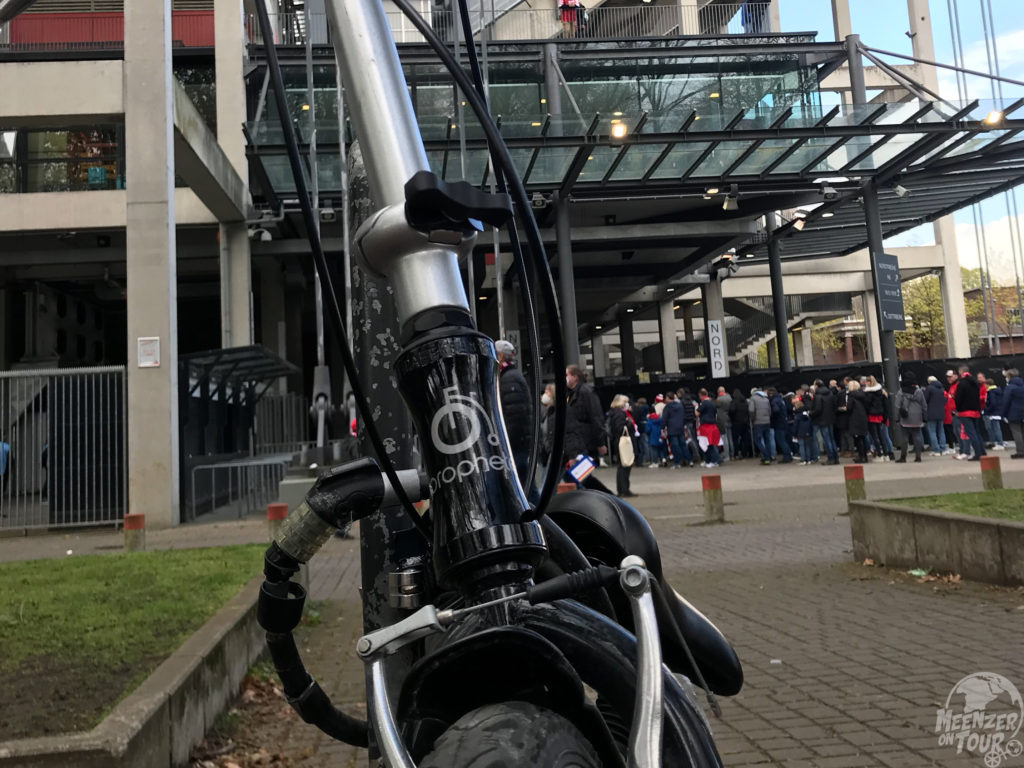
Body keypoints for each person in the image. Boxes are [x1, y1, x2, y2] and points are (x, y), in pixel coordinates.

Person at [495, 340, 537, 502]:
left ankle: (541, 518)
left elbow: (515, 416)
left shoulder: (509, 379)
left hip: (515, 445)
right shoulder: (511, 376)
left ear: (500, 356)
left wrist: (506, 443)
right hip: (519, 443)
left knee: (523, 487)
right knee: (526, 486)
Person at [564, 364, 607, 465]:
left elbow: (596, 416)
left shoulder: (585, 392)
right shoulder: (572, 393)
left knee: (582, 474)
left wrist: (600, 442)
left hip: (585, 441)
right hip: (577, 441)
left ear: (575, 377)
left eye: (567, 375)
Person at [954, 364, 987, 461]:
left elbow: (958, 398)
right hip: (975, 410)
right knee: (977, 432)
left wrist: (958, 410)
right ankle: (982, 451)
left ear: (961, 372)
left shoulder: (961, 383)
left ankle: (977, 454)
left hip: (965, 412)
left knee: (971, 433)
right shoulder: (975, 383)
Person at [608, 394, 637, 497]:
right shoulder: (620, 414)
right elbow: (620, 428)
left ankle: (622, 489)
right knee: (625, 466)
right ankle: (625, 489)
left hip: (618, 441)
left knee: (622, 466)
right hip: (622, 442)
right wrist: (628, 423)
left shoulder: (614, 413)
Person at [895, 371, 927, 463]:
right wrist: (924, 417)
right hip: (917, 417)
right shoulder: (919, 391)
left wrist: (897, 418)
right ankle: (918, 456)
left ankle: (903, 457)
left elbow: (897, 406)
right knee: (917, 436)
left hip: (905, 417)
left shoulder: (901, 391)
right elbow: (924, 406)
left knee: (904, 437)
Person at [863, 375, 894, 461]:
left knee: (874, 436)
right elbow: (885, 405)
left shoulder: (868, 394)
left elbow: (866, 405)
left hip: (871, 416)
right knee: (882, 436)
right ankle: (886, 454)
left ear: (869, 382)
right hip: (880, 416)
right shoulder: (882, 392)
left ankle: (879, 455)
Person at [661, 392, 692, 467]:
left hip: (671, 428)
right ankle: (689, 460)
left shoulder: (667, 407)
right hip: (680, 428)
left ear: (668, 398)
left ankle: (677, 462)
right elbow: (684, 417)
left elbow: (664, 418)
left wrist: (662, 428)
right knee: (683, 445)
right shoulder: (680, 406)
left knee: (675, 446)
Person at [811, 380, 839, 464]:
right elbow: (835, 406)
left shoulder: (818, 395)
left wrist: (811, 413)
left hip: (822, 419)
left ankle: (830, 458)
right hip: (830, 418)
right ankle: (835, 457)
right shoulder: (830, 393)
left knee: (826, 440)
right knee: (831, 439)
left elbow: (818, 409)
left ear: (816, 385)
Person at [1001, 368, 1024, 458]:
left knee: (1016, 432)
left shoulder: (1010, 387)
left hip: (1013, 413)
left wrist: (1003, 414)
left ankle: (1020, 451)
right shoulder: (1022, 386)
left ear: (1009, 376)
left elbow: (1006, 401)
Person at [846, 380, 870, 463]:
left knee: (858, 438)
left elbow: (849, 407)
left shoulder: (851, 396)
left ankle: (861, 456)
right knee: (863, 437)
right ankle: (865, 456)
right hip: (863, 417)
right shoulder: (863, 395)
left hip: (855, 418)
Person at [696, 389, 721, 467]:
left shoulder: (703, 403)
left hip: (706, 426)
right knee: (711, 444)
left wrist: (696, 407)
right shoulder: (713, 403)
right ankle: (708, 460)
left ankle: (715, 460)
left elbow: (696, 413)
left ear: (700, 395)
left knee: (708, 445)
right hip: (713, 425)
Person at [924, 375, 947, 456]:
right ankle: (943, 448)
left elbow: (925, 400)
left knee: (932, 431)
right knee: (941, 431)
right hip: (941, 412)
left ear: (929, 381)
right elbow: (945, 400)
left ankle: (936, 450)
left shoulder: (929, 388)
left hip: (931, 412)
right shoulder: (941, 388)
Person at [748, 387, 773, 465]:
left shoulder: (753, 399)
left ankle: (766, 457)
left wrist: (752, 420)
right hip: (767, 422)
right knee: (767, 440)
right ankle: (769, 456)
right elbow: (770, 411)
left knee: (757, 440)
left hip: (758, 422)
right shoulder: (766, 399)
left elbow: (751, 410)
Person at [768, 387, 792, 463]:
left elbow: (776, 410)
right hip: (784, 422)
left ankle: (787, 457)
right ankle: (788, 456)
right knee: (784, 440)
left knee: (781, 440)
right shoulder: (780, 399)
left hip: (778, 423)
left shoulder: (774, 401)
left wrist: (772, 416)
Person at [792, 393, 816, 465]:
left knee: (801, 446)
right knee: (808, 446)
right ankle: (808, 459)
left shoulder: (797, 416)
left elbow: (795, 426)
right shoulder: (808, 415)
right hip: (808, 432)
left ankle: (803, 459)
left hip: (800, 433)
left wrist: (794, 434)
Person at [982, 377, 1005, 450]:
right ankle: (999, 443)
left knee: (996, 428)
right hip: (997, 412)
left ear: (988, 384)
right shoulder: (997, 391)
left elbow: (993, 403)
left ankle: (1000, 443)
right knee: (996, 428)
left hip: (993, 413)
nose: (984, 386)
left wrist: (987, 409)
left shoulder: (991, 392)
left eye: (985, 384)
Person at [538, 383, 556, 468]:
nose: (544, 395)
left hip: (551, 452)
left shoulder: (553, 412)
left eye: (547, 392)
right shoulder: (547, 411)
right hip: (546, 451)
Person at [729, 388, 750, 458]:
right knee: (745, 439)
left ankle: (736, 453)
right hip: (745, 422)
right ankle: (744, 453)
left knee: (735, 439)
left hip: (736, 423)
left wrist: (732, 417)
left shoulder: (734, 401)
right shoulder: (745, 401)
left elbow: (732, 410)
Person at [631, 397, 651, 467]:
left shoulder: (640, 409)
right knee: (646, 443)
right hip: (646, 425)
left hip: (641, 427)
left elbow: (638, 417)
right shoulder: (648, 408)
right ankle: (648, 458)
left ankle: (645, 459)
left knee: (642, 444)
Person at [715, 386, 733, 463]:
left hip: (722, 420)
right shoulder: (730, 398)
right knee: (730, 438)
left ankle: (727, 455)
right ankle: (732, 454)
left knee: (724, 438)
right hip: (729, 419)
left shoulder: (718, 400)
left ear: (718, 392)